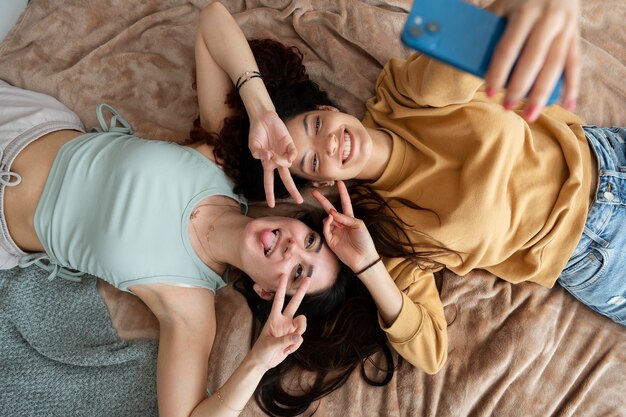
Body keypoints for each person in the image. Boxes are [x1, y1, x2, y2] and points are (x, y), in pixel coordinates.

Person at [191, 0, 626, 381]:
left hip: (604, 154)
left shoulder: (402, 94)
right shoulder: (388, 233)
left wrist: (261, 107)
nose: (330, 144)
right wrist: (369, 266)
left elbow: (476, 40)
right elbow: (432, 353)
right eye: (312, 161)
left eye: (317, 125)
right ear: (320, 183)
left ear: (327, 108)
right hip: (596, 251)